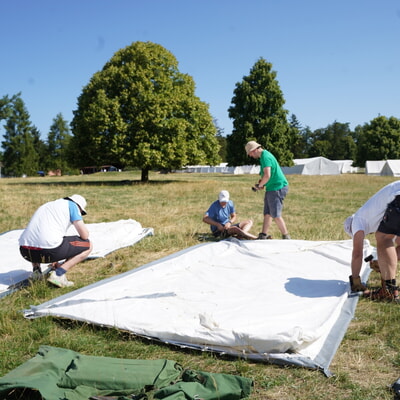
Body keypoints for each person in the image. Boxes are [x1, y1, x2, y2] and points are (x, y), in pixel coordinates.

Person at [19, 194, 93, 288]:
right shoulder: (72, 206)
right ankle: (58, 274)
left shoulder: (47, 206)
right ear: (79, 207)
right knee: (88, 245)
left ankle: (36, 272)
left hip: (25, 252)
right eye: (81, 213)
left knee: (35, 240)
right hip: (47, 251)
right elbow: (84, 235)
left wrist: (55, 259)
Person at [344, 180, 400, 301]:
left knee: (383, 238)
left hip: (398, 195)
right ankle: (389, 289)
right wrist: (383, 262)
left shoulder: (357, 221)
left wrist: (355, 280)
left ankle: (388, 291)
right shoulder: (373, 217)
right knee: (384, 236)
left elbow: (357, 254)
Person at [245, 141, 290, 240]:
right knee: (267, 213)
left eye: (250, 154)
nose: (251, 156)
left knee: (276, 215)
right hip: (272, 188)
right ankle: (263, 235)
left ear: (254, 150)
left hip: (277, 188)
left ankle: (286, 237)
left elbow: (267, 175)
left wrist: (259, 186)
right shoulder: (264, 157)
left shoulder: (265, 157)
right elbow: (267, 176)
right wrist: (262, 184)